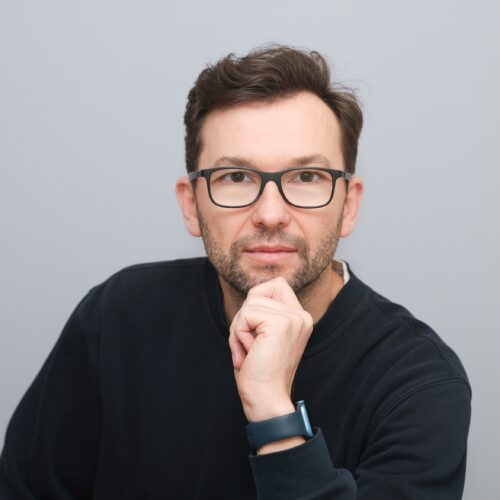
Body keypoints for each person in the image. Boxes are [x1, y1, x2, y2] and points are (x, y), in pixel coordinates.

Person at [0, 45, 471, 500]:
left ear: (348, 206)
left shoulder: (420, 383)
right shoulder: (117, 316)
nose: (270, 214)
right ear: (191, 205)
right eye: (236, 177)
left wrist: (271, 410)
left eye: (307, 177)